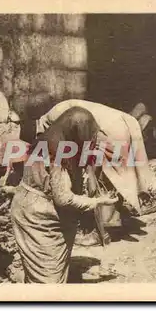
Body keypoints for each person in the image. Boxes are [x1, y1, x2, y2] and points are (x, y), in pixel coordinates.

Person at [10, 107, 119, 283]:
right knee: (49, 280)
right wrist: (98, 201)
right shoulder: (57, 154)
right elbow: (63, 198)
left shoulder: (48, 139)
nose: (91, 141)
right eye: (88, 136)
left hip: (32, 209)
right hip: (39, 220)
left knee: (43, 275)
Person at [36, 99, 155, 246]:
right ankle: (110, 220)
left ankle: (103, 232)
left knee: (104, 179)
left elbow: (77, 148)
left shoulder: (53, 121)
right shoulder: (56, 113)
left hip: (109, 132)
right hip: (120, 124)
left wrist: (87, 173)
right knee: (113, 176)